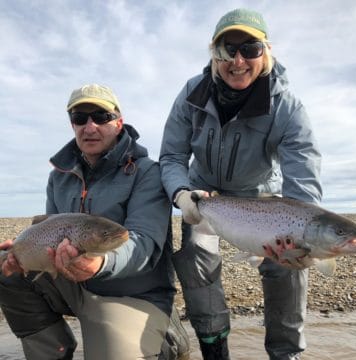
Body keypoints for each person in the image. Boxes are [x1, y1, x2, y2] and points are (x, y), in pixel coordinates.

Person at [159, 8, 322, 360]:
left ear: (266, 52)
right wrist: (181, 193)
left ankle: (286, 353)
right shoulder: (191, 94)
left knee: (286, 267)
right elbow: (172, 157)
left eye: (250, 49)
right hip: (204, 198)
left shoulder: (287, 108)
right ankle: (214, 350)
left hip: (263, 198)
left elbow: (303, 177)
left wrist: (302, 235)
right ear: (214, 53)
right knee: (196, 260)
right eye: (227, 49)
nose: (238, 60)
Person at [0, 84, 190, 360]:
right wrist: (21, 256)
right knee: (5, 269)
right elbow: (46, 231)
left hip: (131, 293)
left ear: (118, 122)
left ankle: (167, 336)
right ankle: (52, 352)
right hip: (72, 283)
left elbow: (144, 243)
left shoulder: (147, 172)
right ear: (72, 124)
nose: (90, 127)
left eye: (100, 117)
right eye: (80, 118)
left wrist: (100, 263)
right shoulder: (59, 177)